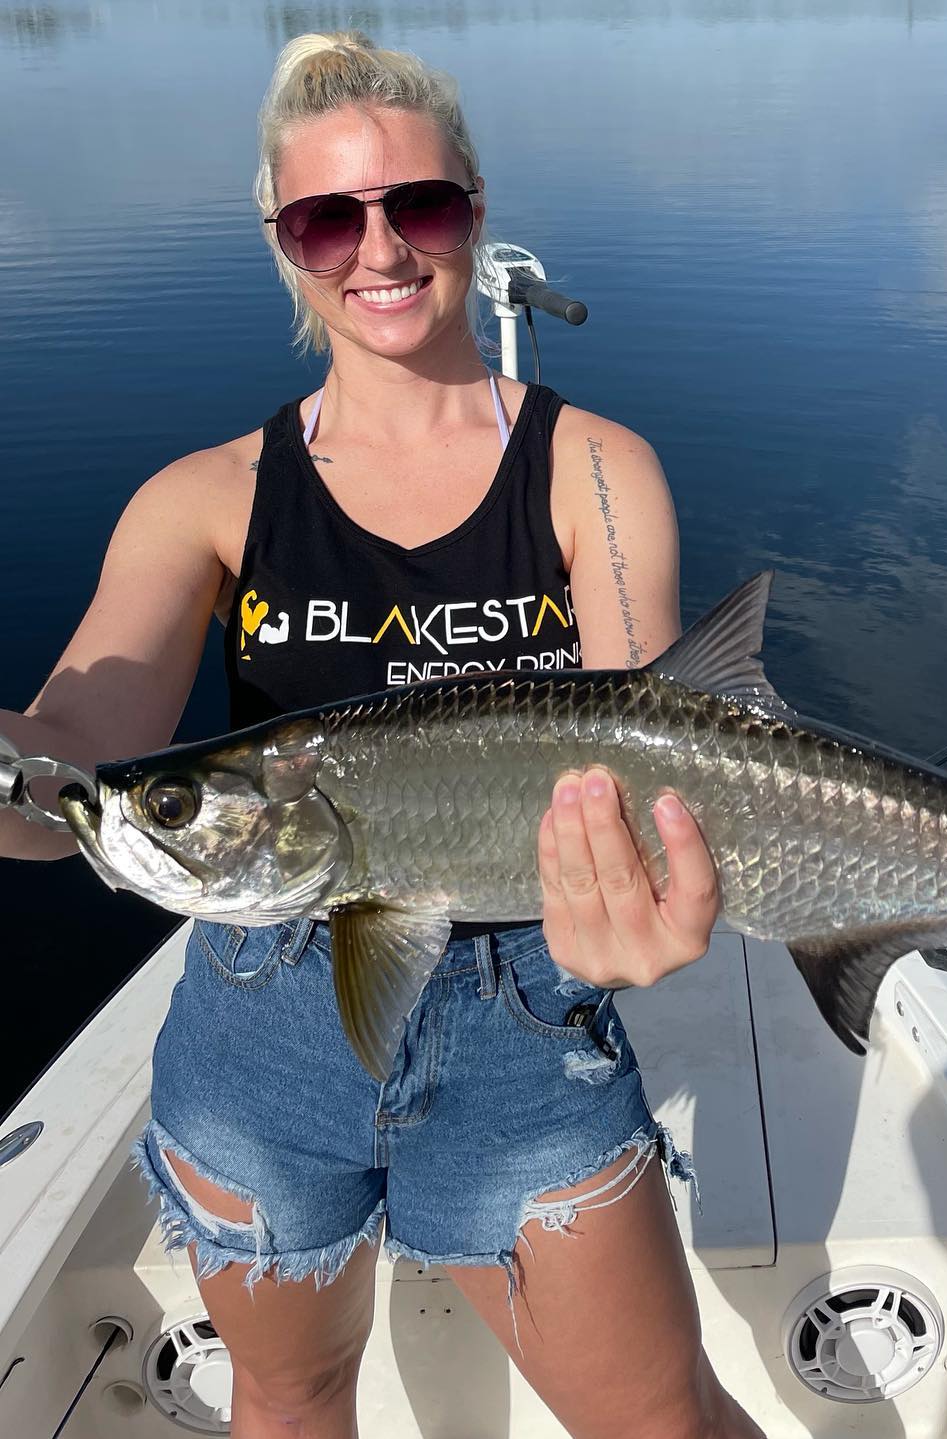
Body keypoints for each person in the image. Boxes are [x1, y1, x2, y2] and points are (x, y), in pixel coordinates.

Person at [0, 31, 764, 1439]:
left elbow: (649, 734)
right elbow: (70, 767)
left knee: (665, 1423)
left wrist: (647, 902)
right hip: (259, 1035)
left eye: (418, 206)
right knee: (286, 1406)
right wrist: (14, 772)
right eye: (324, 218)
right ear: (280, 241)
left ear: (471, 205)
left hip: (525, 1028)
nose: (379, 250)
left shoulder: (594, 468)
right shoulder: (206, 497)